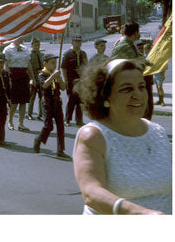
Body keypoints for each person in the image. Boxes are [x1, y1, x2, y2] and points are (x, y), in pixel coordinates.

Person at [73, 59, 172, 214]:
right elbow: (91, 192)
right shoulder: (93, 136)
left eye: (141, 87)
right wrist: (141, 213)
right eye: (127, 89)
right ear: (105, 96)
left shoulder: (158, 132)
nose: (138, 95)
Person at [110, 22, 152, 120]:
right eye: (138, 31)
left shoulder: (131, 43)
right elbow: (112, 62)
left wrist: (150, 63)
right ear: (135, 32)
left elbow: (140, 58)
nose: (139, 34)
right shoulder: (124, 45)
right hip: (124, 83)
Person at [33, 53, 70, 159]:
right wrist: (53, 76)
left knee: (60, 127)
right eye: (52, 63)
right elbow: (44, 85)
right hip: (47, 103)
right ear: (45, 63)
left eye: (55, 63)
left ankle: (60, 150)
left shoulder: (55, 74)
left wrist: (59, 79)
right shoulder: (42, 75)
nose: (55, 65)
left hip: (57, 102)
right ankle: (39, 140)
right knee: (48, 126)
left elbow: (63, 88)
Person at [3, 38, 31, 131]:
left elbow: (29, 63)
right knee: (14, 102)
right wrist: (7, 78)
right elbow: (6, 65)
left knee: (23, 101)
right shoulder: (8, 49)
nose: (20, 39)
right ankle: (10, 121)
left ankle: (21, 123)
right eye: (18, 37)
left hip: (24, 74)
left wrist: (33, 77)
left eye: (21, 37)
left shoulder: (25, 49)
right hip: (13, 75)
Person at [62, 33, 88, 127]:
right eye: (76, 41)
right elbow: (64, 68)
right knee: (72, 101)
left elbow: (86, 67)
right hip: (71, 81)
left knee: (80, 101)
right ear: (72, 42)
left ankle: (79, 120)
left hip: (81, 81)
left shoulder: (83, 54)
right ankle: (67, 119)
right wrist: (65, 80)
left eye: (79, 41)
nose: (78, 43)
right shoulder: (67, 54)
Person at [26, 37, 44, 121]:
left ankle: (40, 114)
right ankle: (29, 113)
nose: (37, 47)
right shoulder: (29, 55)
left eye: (38, 45)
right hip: (33, 76)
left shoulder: (41, 55)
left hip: (41, 77)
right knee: (32, 97)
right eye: (35, 45)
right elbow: (28, 69)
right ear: (32, 45)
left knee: (41, 96)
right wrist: (31, 79)